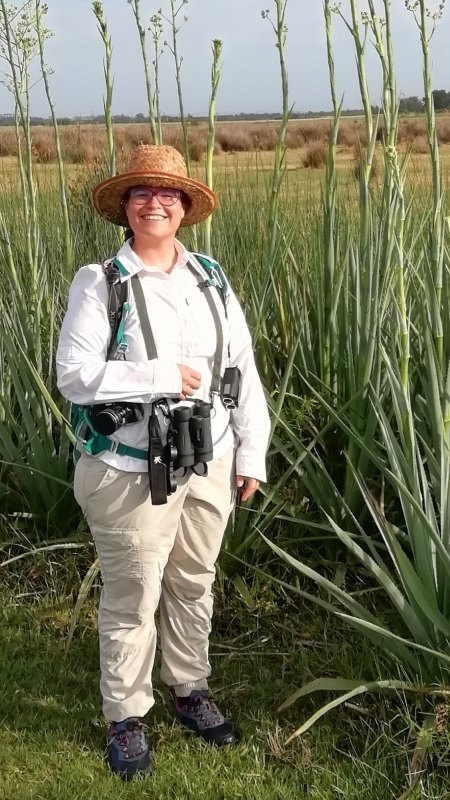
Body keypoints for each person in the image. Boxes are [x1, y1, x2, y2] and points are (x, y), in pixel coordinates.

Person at [56, 144, 270, 780]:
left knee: (193, 580)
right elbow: (73, 375)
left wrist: (250, 450)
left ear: (184, 208)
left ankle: (189, 688)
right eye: (142, 192)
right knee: (133, 593)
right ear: (125, 206)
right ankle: (125, 716)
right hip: (127, 467)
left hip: (211, 455)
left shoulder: (211, 276)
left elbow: (243, 369)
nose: (156, 202)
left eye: (168, 194)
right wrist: (159, 376)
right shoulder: (100, 282)